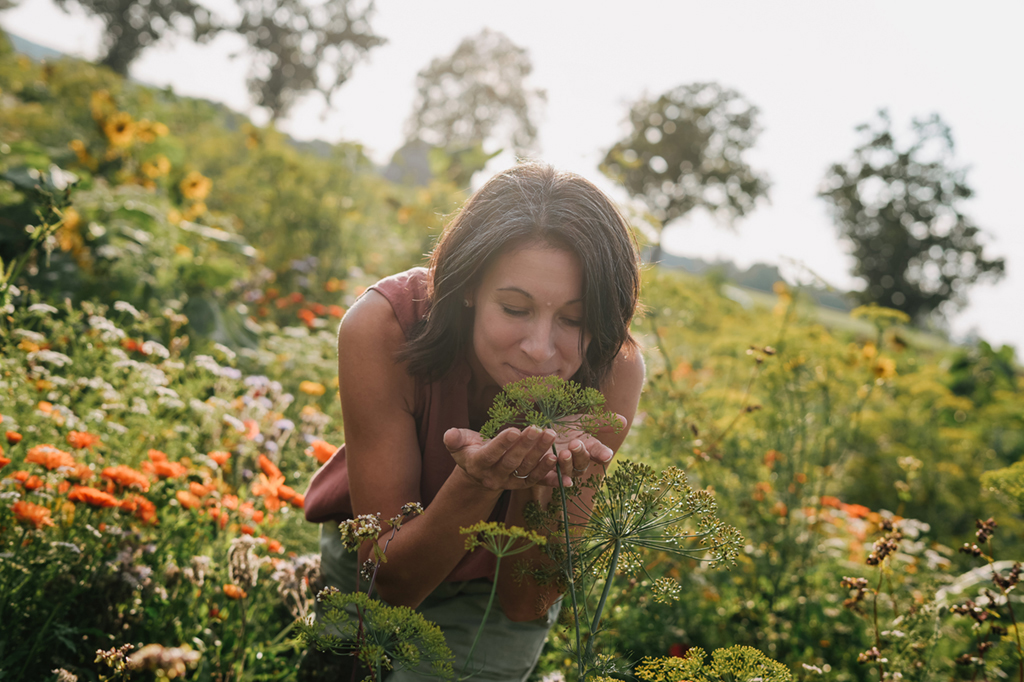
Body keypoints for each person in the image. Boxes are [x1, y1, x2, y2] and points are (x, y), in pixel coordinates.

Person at [303, 162, 645, 681]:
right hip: (370, 563)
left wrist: (544, 490)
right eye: (514, 308)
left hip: (490, 594)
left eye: (574, 320)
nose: (539, 348)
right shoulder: (384, 326)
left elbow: (526, 602)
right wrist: (478, 483)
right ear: (466, 286)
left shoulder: (612, 373)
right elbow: (390, 582)